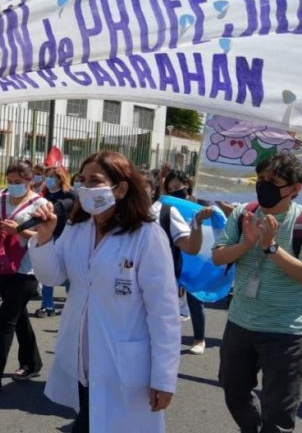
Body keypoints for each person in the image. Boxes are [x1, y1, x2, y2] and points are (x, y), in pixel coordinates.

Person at [28, 151, 181, 432]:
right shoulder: (77, 228)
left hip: (125, 365)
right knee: (88, 421)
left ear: (120, 188)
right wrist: (45, 237)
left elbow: (164, 314)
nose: (85, 187)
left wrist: (164, 377)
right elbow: (52, 275)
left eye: (95, 180)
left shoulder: (146, 236)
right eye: (81, 180)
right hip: (82, 361)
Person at [211, 154, 302, 433]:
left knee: (278, 413)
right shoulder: (244, 213)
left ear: (295, 187)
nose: (264, 185)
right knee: (233, 391)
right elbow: (218, 257)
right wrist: (247, 243)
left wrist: (271, 247)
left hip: (286, 331)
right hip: (240, 323)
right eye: (261, 179)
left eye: (273, 181)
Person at [0, 160, 48, 395]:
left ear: (30, 180)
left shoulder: (41, 204)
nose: (13, 186)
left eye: (19, 182)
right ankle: (32, 362)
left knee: (6, 319)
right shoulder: (0, 199)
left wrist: (18, 230)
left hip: (27, 270)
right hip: (3, 266)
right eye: (10, 181)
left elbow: (43, 236)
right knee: (18, 316)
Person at [159, 169, 213, 354]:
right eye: (171, 187)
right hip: (174, 257)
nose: (175, 190)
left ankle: (199, 339)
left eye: (178, 186)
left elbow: (211, 224)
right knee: (167, 301)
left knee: (194, 298)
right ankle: (167, 338)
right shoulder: (166, 206)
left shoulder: (198, 203)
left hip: (194, 258)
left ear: (187, 186)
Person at [35, 165, 76, 318]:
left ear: (60, 178)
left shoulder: (69, 194)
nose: (49, 180)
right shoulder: (44, 194)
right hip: (49, 236)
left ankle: (73, 301)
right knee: (48, 271)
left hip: (66, 237)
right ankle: (47, 305)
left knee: (69, 274)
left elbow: (60, 208)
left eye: (52, 176)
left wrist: (49, 209)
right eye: (47, 176)